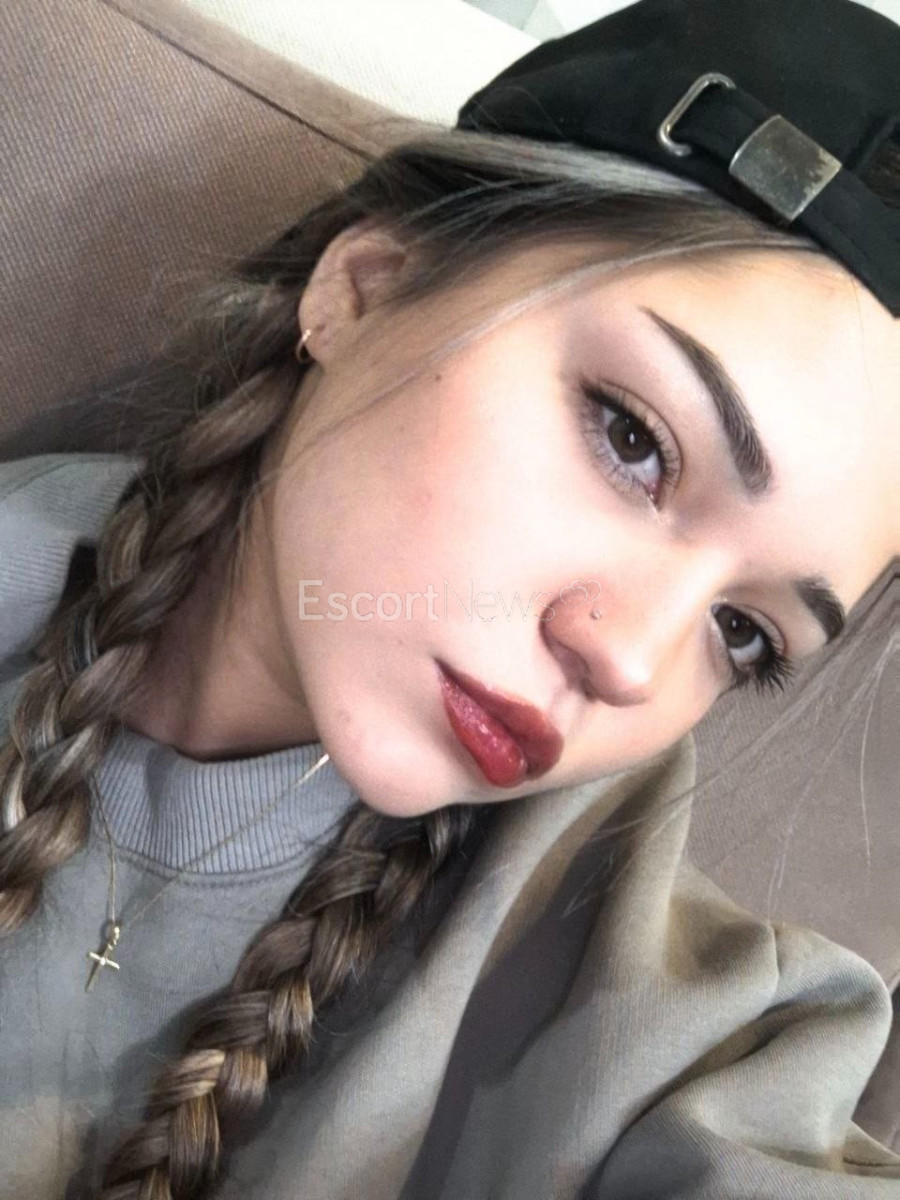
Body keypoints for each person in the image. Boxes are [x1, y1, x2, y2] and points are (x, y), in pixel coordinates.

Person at [0, 0, 897, 1196]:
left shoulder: (678, 1021)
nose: (632, 661)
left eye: (743, 634)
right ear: (364, 288)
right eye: (634, 439)